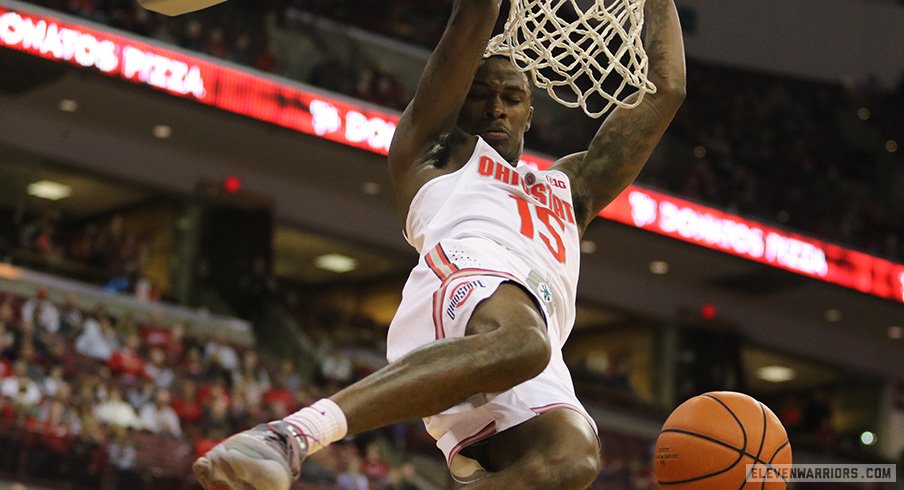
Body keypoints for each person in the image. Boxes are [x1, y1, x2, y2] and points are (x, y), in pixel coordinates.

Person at [193, 0, 685, 488]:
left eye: (511, 97)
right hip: (467, 278)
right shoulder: (434, 152)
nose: (495, 106)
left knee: (571, 461)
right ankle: (289, 436)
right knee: (524, 341)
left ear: (530, 113)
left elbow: (666, 91)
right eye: (480, 94)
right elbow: (474, 13)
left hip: (539, 332)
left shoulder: (572, 188)